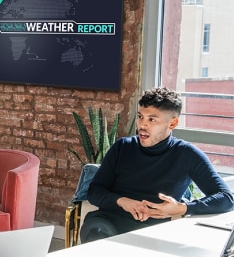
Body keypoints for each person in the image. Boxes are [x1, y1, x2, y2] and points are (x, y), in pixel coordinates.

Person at [80, 87, 234, 242]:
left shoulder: (187, 154)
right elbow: (94, 191)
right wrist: (122, 201)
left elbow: (226, 198)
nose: (142, 125)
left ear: (172, 123)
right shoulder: (122, 147)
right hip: (107, 221)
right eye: (140, 117)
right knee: (97, 236)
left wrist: (182, 208)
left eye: (151, 119)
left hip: (155, 230)